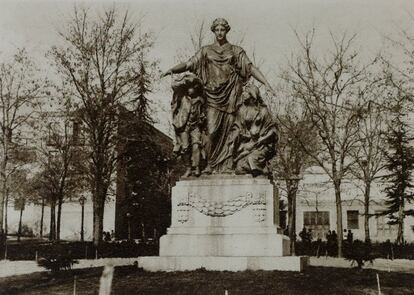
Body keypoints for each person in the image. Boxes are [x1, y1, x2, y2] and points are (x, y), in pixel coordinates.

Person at [161, 18, 275, 174]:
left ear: (226, 31)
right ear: (213, 31)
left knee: (230, 131)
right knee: (211, 131)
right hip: (212, 95)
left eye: (222, 30)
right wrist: (173, 70)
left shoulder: (236, 50)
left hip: (232, 94)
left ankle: (228, 166)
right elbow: (189, 64)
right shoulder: (205, 50)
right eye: (217, 30)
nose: (220, 33)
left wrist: (266, 83)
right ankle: (209, 165)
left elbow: (250, 68)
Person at [229, 84, 278, 176]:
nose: (243, 94)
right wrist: (237, 136)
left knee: (252, 159)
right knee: (239, 169)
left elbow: (272, 129)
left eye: (246, 92)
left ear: (252, 95)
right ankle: (261, 169)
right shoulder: (241, 110)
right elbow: (237, 126)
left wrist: (262, 139)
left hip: (261, 145)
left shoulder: (263, 111)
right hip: (246, 143)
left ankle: (260, 168)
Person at [171, 73, 205, 177]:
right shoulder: (182, 98)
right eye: (188, 88)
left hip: (195, 126)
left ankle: (197, 167)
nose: (190, 90)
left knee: (196, 146)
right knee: (185, 148)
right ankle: (188, 168)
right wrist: (184, 79)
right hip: (184, 126)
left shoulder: (200, 100)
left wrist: (202, 117)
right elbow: (174, 86)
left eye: (192, 88)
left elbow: (202, 112)